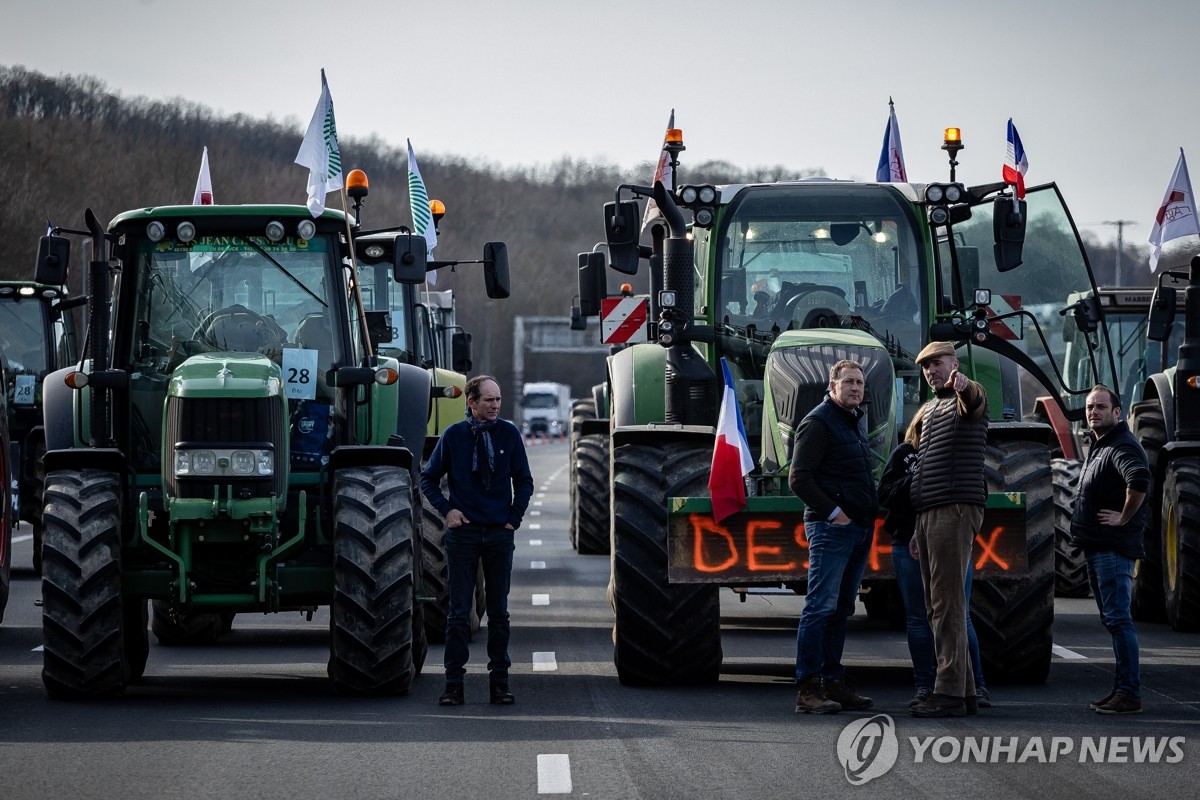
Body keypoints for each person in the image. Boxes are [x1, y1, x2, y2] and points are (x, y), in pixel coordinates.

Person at [421, 375, 534, 706]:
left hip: (499, 534)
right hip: (463, 535)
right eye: (489, 400)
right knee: (457, 613)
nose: (495, 406)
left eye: (498, 400)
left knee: (499, 613)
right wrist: (447, 510)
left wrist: (513, 518)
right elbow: (428, 478)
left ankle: (499, 682)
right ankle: (453, 684)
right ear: (471, 402)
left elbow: (524, 481)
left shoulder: (509, 434)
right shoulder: (454, 436)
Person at [878, 409, 991, 711]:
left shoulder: (956, 457)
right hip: (907, 541)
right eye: (925, 427)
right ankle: (925, 685)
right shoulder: (904, 454)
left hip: (949, 537)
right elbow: (884, 493)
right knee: (918, 616)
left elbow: (979, 489)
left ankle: (976, 684)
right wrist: (918, 479)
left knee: (959, 613)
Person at [789, 359, 879, 714]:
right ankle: (807, 689)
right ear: (832, 385)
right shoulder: (818, 422)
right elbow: (800, 478)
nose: (856, 388)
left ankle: (833, 682)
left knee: (841, 608)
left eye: (859, 382)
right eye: (849, 382)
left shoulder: (852, 421)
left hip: (857, 529)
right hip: (832, 529)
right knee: (820, 608)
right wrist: (835, 514)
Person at [907, 341, 988, 718]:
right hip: (932, 512)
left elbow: (973, 399)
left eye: (936, 363)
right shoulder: (932, 408)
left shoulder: (965, 395)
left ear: (954, 364)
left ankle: (949, 692)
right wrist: (917, 525)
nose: (930, 371)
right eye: (925, 367)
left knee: (947, 605)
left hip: (953, 508)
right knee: (938, 605)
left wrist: (963, 385)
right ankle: (965, 692)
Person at [1070, 384, 1150, 715]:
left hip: (1112, 548)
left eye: (1101, 407)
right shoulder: (1101, 445)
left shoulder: (1120, 445)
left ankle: (1129, 692)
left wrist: (1123, 516)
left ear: (1117, 412)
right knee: (1113, 619)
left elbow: (1139, 479)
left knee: (1119, 620)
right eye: (1090, 407)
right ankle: (1121, 688)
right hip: (1097, 547)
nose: (1093, 412)